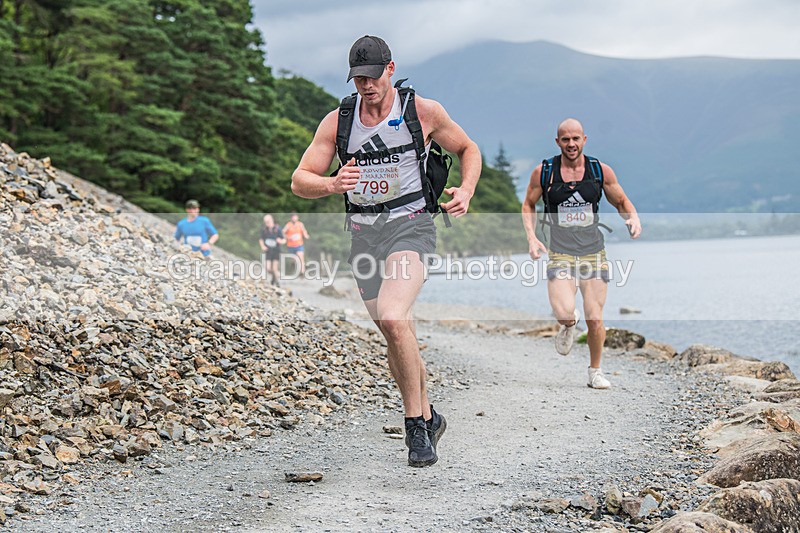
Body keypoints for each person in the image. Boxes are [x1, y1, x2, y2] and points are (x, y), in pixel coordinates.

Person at [291, 35, 481, 467]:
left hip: (411, 226)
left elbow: (468, 148)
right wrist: (331, 184)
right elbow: (300, 179)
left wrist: (466, 189)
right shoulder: (338, 121)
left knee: (395, 317)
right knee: (397, 332)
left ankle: (416, 428)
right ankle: (431, 416)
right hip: (364, 237)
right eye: (358, 78)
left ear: (390, 70)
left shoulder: (421, 111)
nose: (366, 86)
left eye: (373, 76)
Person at [521, 118, 641, 389]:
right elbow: (528, 204)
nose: (571, 144)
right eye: (566, 139)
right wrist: (532, 238)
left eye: (576, 139)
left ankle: (595, 371)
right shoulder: (545, 172)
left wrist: (632, 218)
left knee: (595, 316)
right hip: (560, 252)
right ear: (557, 142)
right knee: (564, 313)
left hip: (593, 253)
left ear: (584, 140)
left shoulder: (599, 171)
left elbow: (621, 201)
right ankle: (567, 324)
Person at [259, 214, 285, 286]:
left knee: (274, 268)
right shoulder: (264, 230)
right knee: (268, 268)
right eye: (265, 222)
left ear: (271, 220)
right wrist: (263, 246)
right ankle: (275, 276)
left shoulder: (277, 229)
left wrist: (280, 241)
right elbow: (261, 239)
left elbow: (284, 240)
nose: (267, 223)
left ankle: (277, 283)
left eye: (268, 221)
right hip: (268, 251)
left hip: (276, 250)